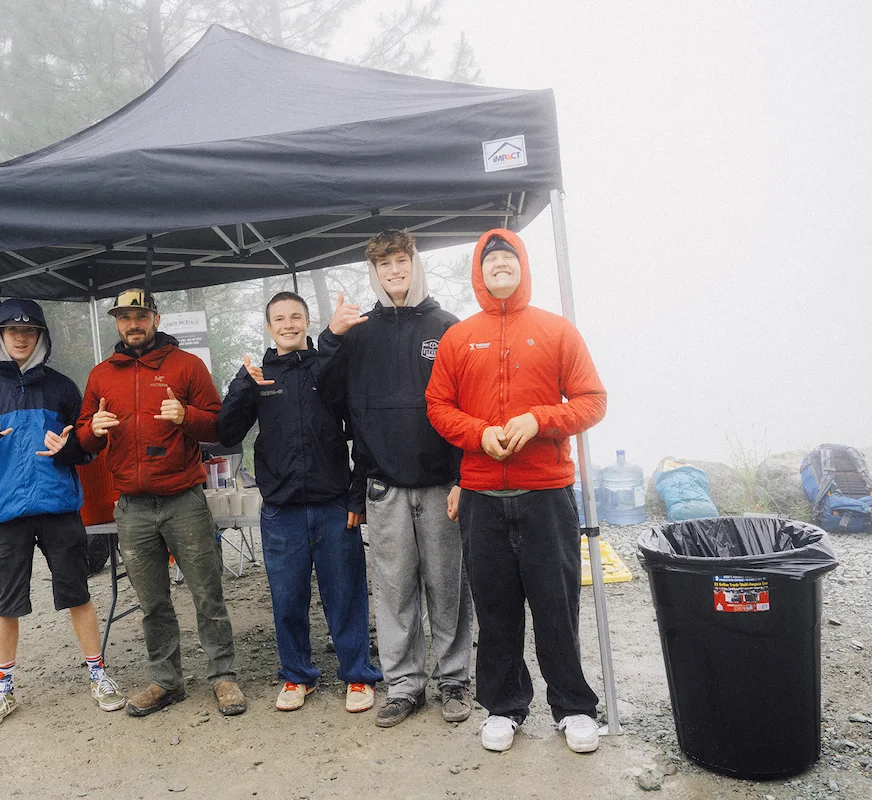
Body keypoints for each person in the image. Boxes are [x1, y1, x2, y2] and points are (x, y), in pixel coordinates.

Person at [424, 229, 607, 754]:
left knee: (556, 606)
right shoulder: (460, 338)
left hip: (546, 495)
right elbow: (438, 406)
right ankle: (504, 708)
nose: (499, 265)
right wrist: (478, 433)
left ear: (523, 267)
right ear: (478, 274)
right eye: (490, 261)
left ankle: (573, 707)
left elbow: (592, 401)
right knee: (497, 609)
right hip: (483, 497)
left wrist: (541, 419)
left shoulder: (556, 331)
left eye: (508, 258)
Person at [0, 298, 125, 732]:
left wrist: (71, 449)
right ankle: (4, 689)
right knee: (6, 605)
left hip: (58, 509)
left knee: (77, 595)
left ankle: (97, 674)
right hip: (4, 515)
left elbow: (89, 447)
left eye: (30, 331)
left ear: (41, 337)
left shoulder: (62, 388)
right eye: (12, 330)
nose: (21, 337)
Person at [317, 230, 474, 728]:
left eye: (401, 261)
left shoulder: (448, 327)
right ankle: (404, 685)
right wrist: (332, 338)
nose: (394, 271)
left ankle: (453, 681)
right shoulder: (358, 333)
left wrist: (462, 478)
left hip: (440, 485)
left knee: (447, 587)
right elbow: (329, 397)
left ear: (414, 263)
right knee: (393, 590)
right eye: (384, 265)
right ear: (374, 273)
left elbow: (466, 409)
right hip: (383, 486)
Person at [75, 288, 246, 717]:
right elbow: (82, 439)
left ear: (155, 317)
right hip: (131, 507)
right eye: (123, 317)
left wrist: (187, 417)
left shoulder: (187, 365)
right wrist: (92, 429)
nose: (132, 324)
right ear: (116, 323)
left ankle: (223, 677)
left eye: (139, 315)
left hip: (183, 500)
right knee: (152, 602)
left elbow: (222, 428)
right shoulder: (101, 375)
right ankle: (167, 682)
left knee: (207, 594)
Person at [217, 292, 382, 713]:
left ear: (307, 322)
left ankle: (357, 675)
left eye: (296, 317)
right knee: (287, 597)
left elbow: (360, 429)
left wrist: (356, 493)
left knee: (345, 594)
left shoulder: (327, 366)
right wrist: (241, 383)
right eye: (279, 319)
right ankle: (297, 676)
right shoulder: (258, 375)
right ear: (269, 328)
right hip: (281, 510)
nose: (288, 324)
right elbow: (226, 432)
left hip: (333, 505)